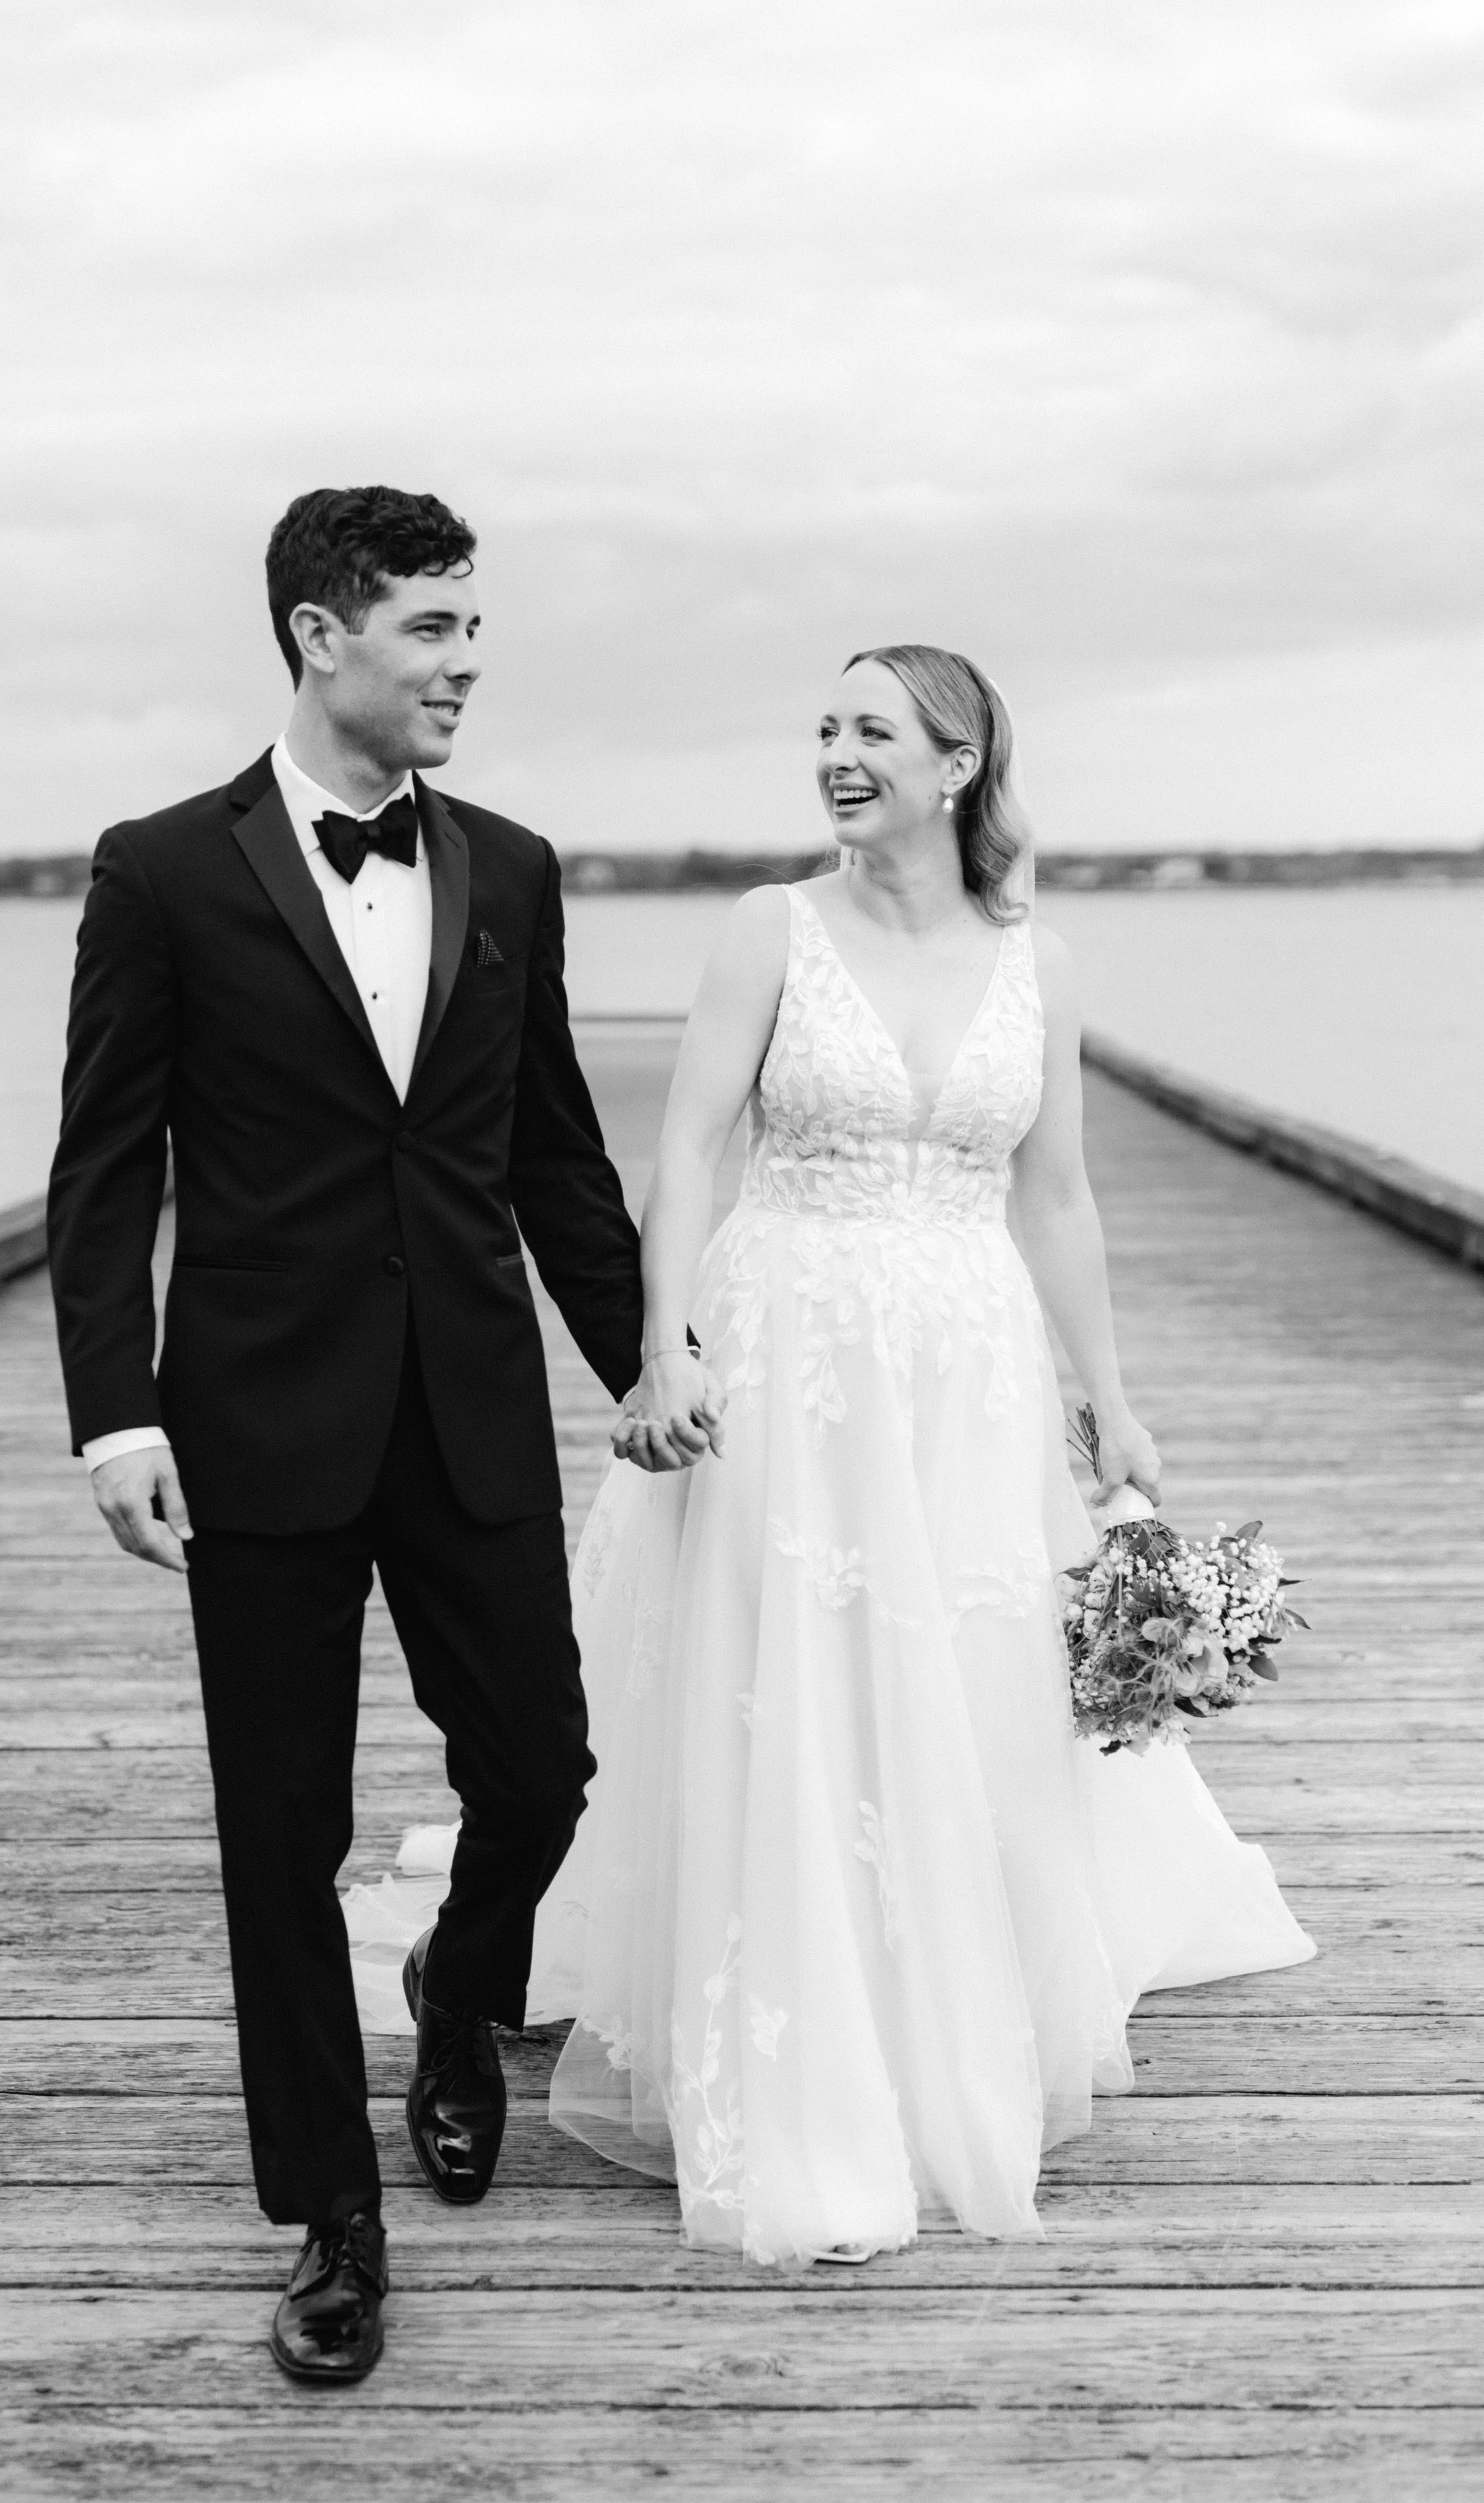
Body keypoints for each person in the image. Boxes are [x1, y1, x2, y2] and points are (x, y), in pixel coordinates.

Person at [526, 644, 1315, 2264]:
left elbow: (1058, 1197)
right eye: (820, 727)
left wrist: (1107, 1393)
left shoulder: (1042, 961)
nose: (833, 753)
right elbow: (682, 1147)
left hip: (963, 1364)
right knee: (792, 1673)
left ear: (956, 765)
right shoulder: (769, 930)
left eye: (869, 730)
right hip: (786, 1344)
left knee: (956, 1676)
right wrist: (662, 1342)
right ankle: (791, 2045)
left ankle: (936, 2009)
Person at [47, 484, 676, 2382]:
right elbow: (102, 1167)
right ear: (321, 636)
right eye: (432, 628)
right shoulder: (161, 868)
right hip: (255, 1421)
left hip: (470, 1399)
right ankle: (332, 2207)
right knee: (280, 1832)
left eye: (473, 628)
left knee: (545, 1763)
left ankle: (461, 1988)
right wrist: (113, 1412)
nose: (466, 662)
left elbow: (553, 1154)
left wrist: (649, 1362)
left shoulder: (511, 865)